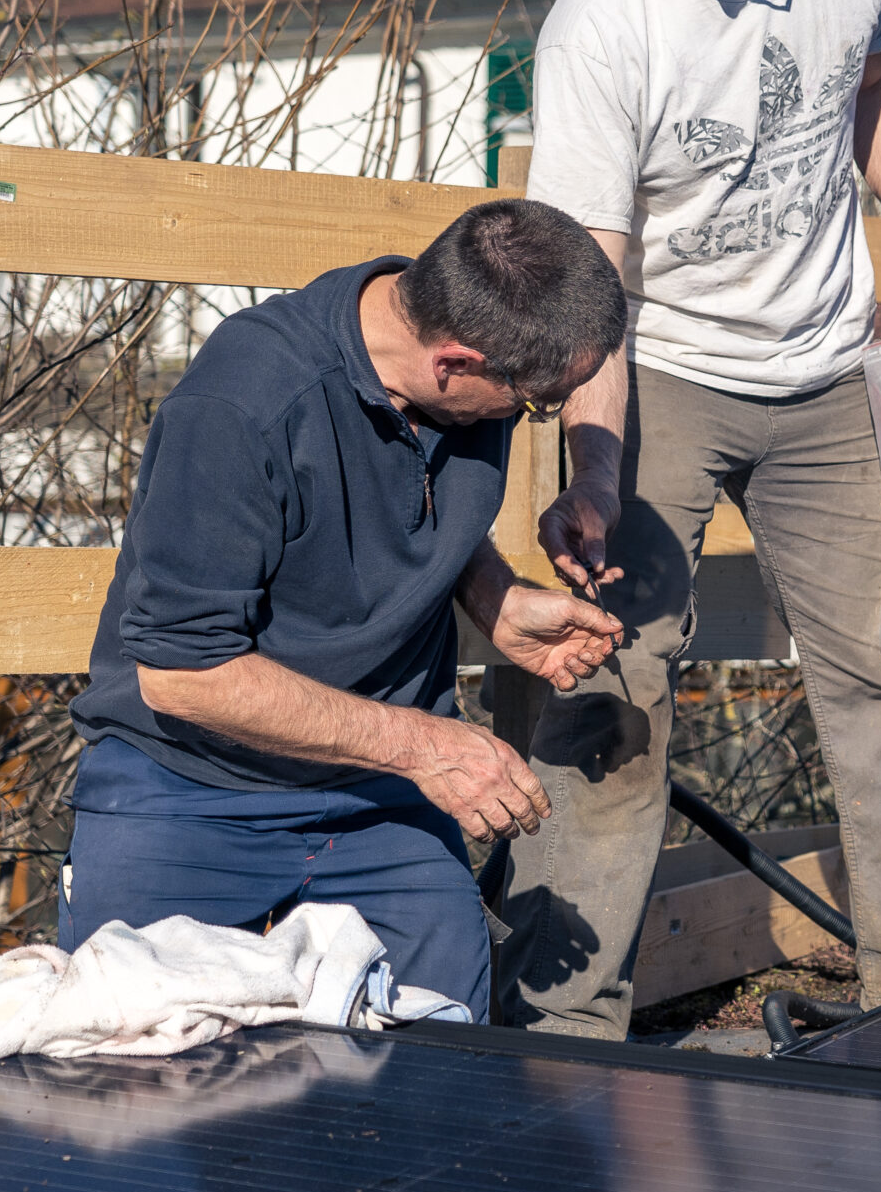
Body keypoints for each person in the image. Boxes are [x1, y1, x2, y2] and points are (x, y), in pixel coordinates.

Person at [490, 0, 881, 1036]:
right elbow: (589, 275)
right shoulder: (603, 23)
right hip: (658, 368)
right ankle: (566, 1030)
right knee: (605, 679)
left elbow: (876, 81)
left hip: (830, 366)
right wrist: (593, 470)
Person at [59, 199, 632, 1020]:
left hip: (378, 800)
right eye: (535, 404)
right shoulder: (245, 403)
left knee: (432, 1063)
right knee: (129, 1075)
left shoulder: (458, 331)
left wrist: (493, 598)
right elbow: (183, 673)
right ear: (456, 363)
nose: (526, 418)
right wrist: (426, 746)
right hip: (189, 783)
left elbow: (397, 496)